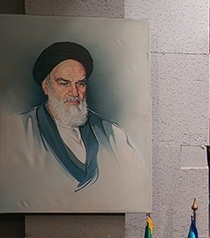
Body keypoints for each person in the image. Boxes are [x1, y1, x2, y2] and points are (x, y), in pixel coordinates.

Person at [0, 40, 147, 213]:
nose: (75, 92)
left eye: (80, 83)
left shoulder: (112, 133)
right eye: (64, 83)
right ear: (46, 86)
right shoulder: (16, 129)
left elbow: (138, 186)